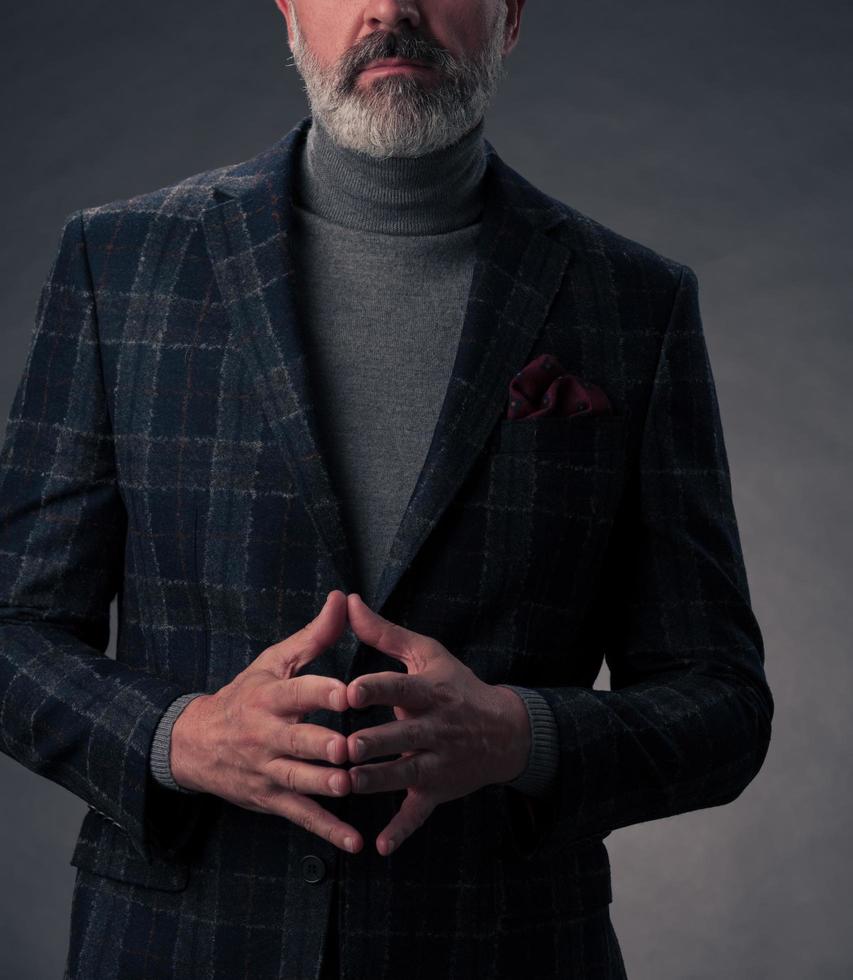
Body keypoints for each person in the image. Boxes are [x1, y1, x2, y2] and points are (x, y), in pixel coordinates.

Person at [0, 1, 774, 977]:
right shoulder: (119, 265)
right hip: (180, 946)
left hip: (505, 949)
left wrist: (518, 735)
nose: (390, 8)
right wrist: (175, 737)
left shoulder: (633, 304)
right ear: (287, 7)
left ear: (511, 15)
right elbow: (10, 626)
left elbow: (725, 704)